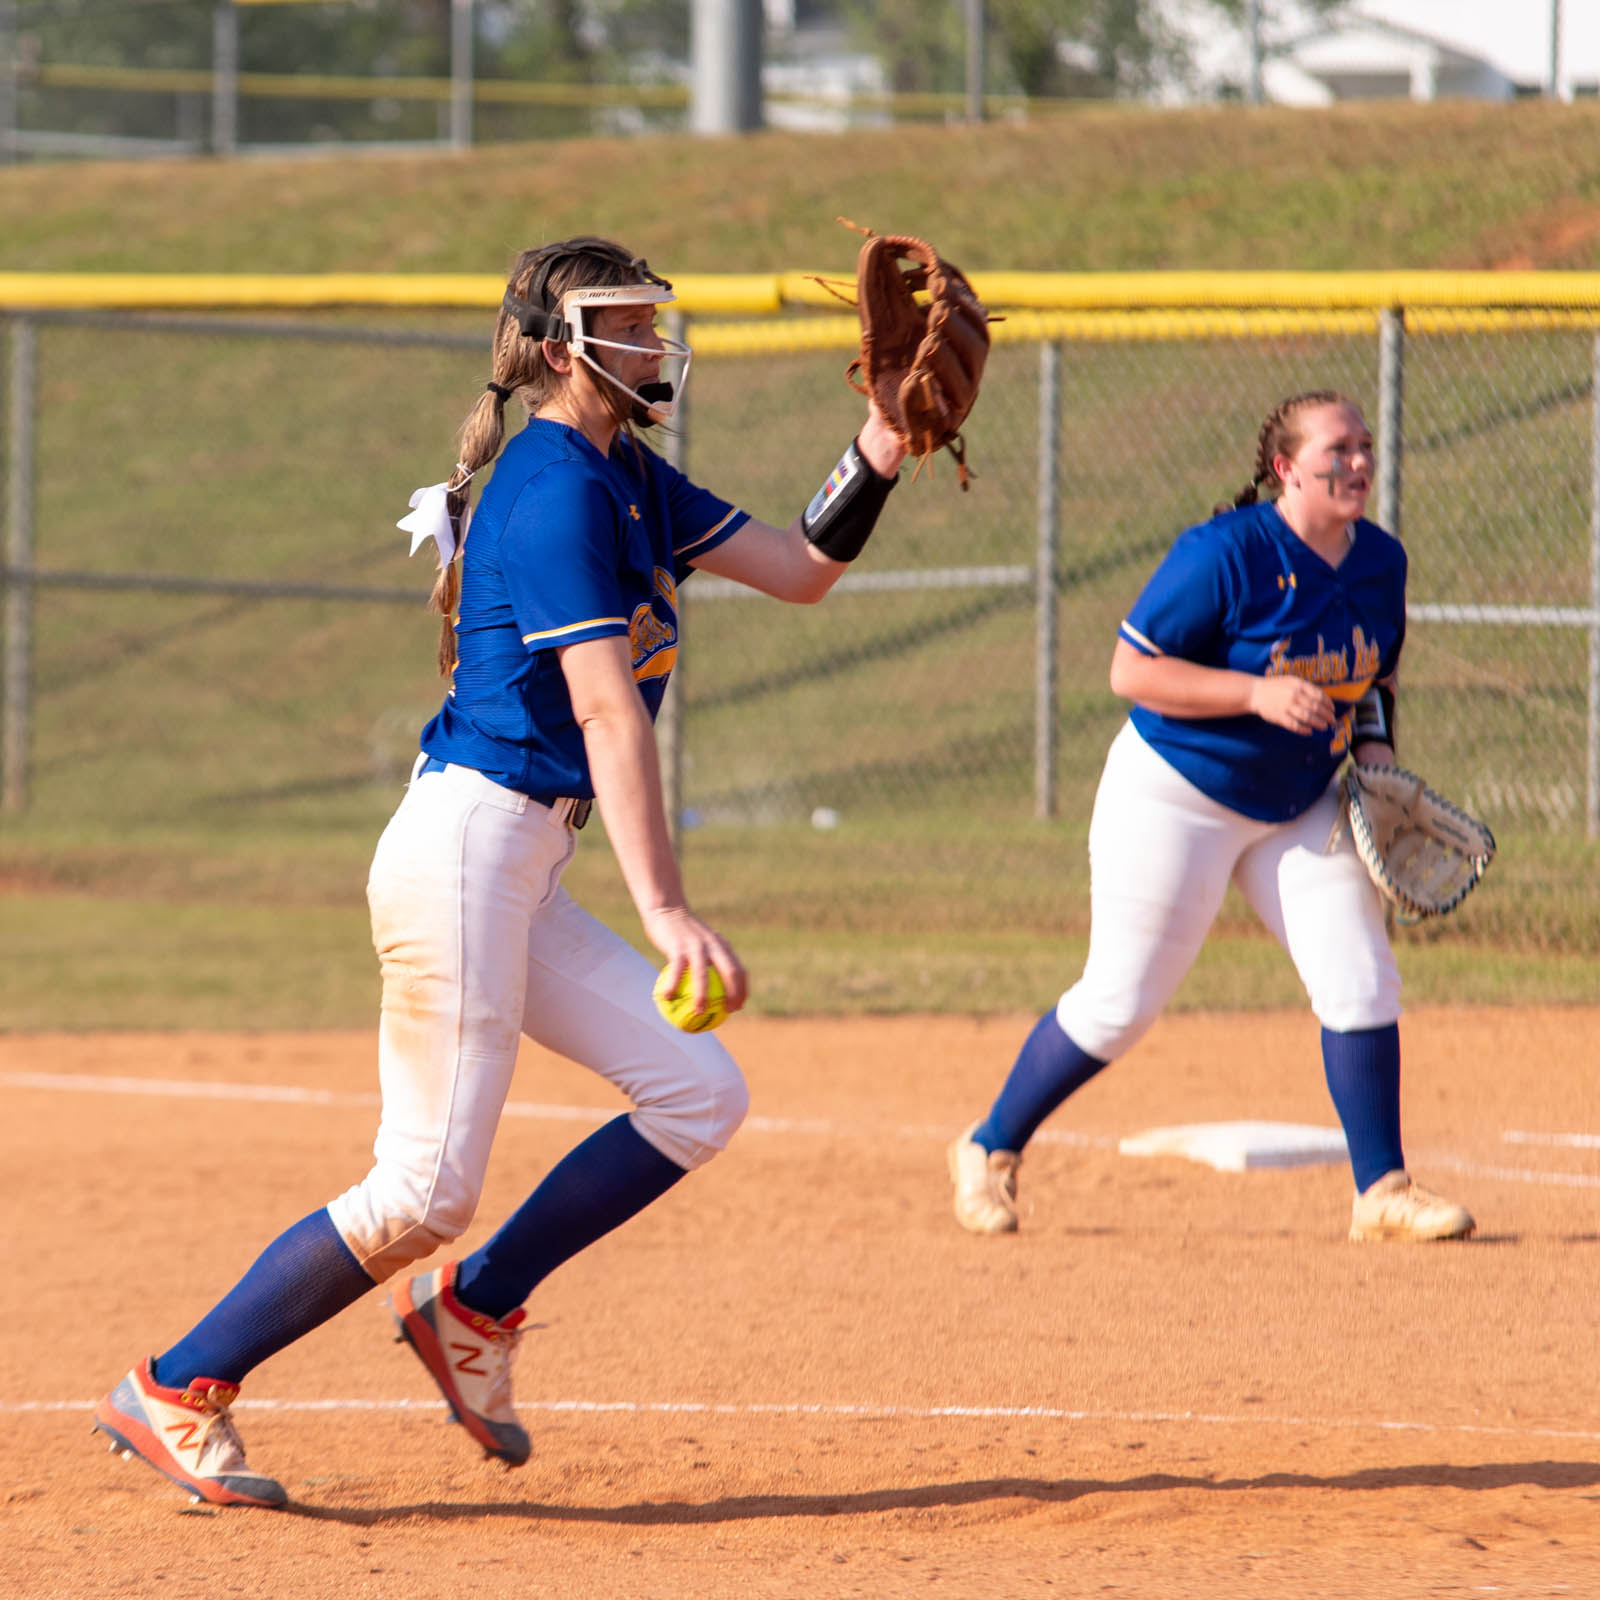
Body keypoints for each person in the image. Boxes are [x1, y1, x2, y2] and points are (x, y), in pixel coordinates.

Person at [93, 236, 910, 1508]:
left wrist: (883, 440)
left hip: (517, 858)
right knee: (423, 1189)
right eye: (625, 324)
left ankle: (471, 1311)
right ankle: (177, 1383)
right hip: (468, 849)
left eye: (650, 320)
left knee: (695, 1091)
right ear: (560, 349)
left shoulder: (625, 473)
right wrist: (665, 907)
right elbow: (605, 709)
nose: (652, 342)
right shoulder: (555, 491)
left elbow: (801, 570)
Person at [947, 390, 1474, 1247]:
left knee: (1360, 974)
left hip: (1300, 799)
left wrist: (1376, 758)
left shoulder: (1381, 562)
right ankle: (989, 1145)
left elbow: (1371, 679)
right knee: (1119, 1005)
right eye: (1337, 449)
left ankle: (1382, 1190)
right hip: (1177, 795)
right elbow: (1131, 672)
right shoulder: (1224, 554)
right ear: (1286, 469)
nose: (1358, 462)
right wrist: (1253, 694)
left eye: (1364, 446)